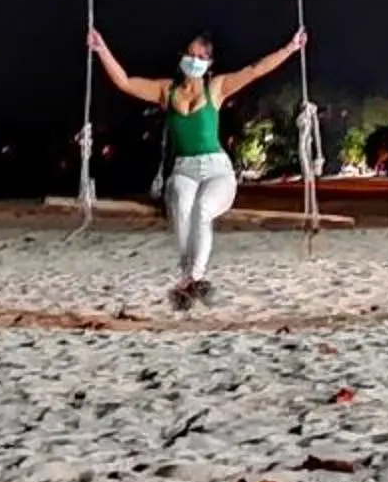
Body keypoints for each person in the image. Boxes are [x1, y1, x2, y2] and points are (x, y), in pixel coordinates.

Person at [87, 25, 306, 308]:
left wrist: (291, 47)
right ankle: (188, 275)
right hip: (184, 168)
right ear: (182, 56)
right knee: (181, 205)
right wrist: (101, 48)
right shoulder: (167, 90)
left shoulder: (216, 88)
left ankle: (194, 276)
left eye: (201, 56)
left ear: (209, 62)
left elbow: (255, 70)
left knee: (202, 208)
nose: (194, 60)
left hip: (217, 169)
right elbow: (126, 82)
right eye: (190, 54)